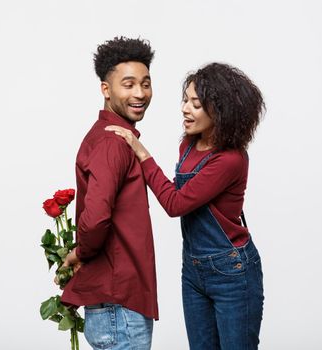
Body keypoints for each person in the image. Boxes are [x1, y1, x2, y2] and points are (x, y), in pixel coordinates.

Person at [106, 62, 265, 349]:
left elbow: (175, 202)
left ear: (221, 110)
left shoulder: (230, 160)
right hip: (193, 270)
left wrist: (141, 153)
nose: (185, 109)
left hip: (232, 271)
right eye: (185, 100)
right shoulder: (189, 145)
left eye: (196, 104)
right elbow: (181, 193)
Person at [59, 36, 158, 350]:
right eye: (128, 84)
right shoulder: (114, 142)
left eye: (145, 83)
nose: (140, 93)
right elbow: (97, 216)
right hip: (120, 304)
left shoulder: (112, 137)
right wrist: (82, 253)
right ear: (106, 89)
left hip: (116, 302)